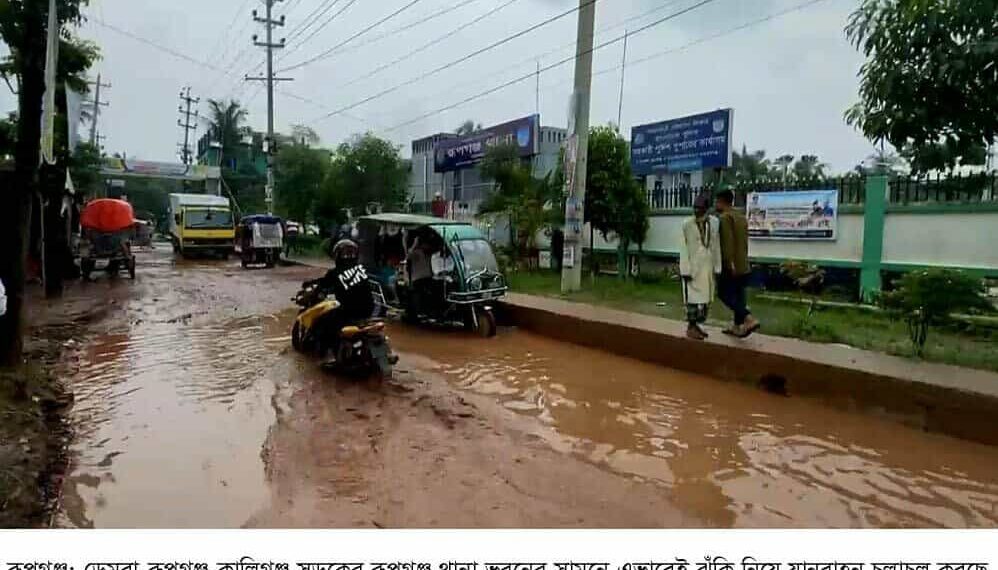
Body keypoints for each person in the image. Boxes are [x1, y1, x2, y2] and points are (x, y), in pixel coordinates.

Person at [312, 239, 376, 364]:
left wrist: (316, 292)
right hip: (369, 309)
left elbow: (323, 285)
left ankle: (328, 354)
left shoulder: (334, 273)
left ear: (337, 255)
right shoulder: (361, 268)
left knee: (323, 323)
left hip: (349, 311)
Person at [716, 189, 761, 338]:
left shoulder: (724, 218)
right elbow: (744, 242)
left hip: (732, 265)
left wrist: (729, 263)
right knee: (739, 295)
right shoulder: (741, 217)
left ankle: (748, 318)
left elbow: (727, 244)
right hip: (743, 263)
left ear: (721, 201)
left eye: (717, 201)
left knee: (723, 293)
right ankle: (736, 326)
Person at [679, 194, 721, 340]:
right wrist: (685, 269)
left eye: (700, 208)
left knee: (705, 299)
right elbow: (683, 247)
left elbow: (716, 245)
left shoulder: (714, 223)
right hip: (693, 267)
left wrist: (718, 267)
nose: (696, 211)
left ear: (707, 209)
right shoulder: (687, 224)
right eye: (695, 208)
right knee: (692, 298)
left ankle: (696, 325)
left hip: (707, 266)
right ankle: (691, 327)